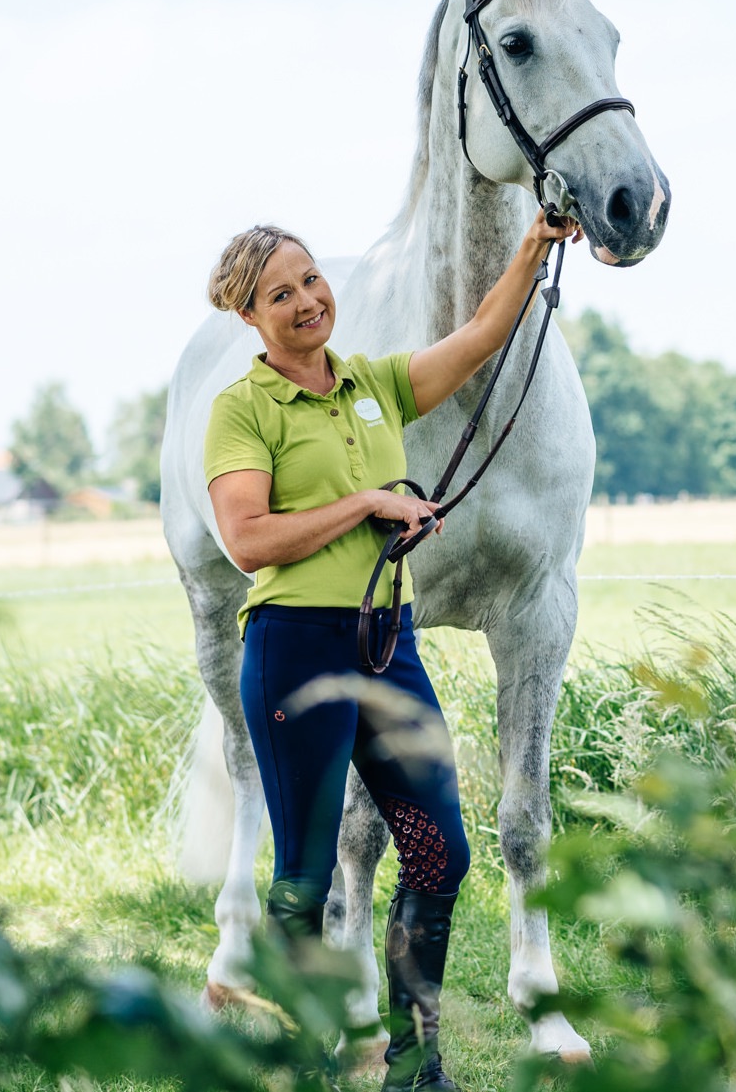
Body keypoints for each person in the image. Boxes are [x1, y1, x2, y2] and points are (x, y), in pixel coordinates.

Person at [203, 212, 577, 1090]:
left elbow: (482, 336)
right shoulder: (243, 410)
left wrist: (532, 244)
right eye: (279, 294)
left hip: (385, 646)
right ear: (249, 317)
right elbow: (248, 539)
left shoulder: (372, 383)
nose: (306, 300)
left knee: (439, 851)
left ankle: (416, 1068)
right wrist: (368, 504)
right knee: (300, 879)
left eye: (310, 279)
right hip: (296, 652)